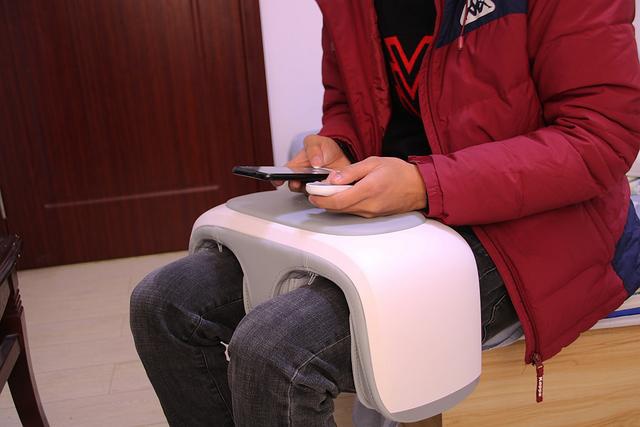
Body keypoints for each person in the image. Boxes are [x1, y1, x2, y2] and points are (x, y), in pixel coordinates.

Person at [130, 0, 640, 425]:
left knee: (275, 349)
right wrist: (339, 146)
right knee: (163, 303)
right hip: (400, 212)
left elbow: (601, 137)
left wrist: (424, 183)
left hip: (532, 223)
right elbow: (351, 104)